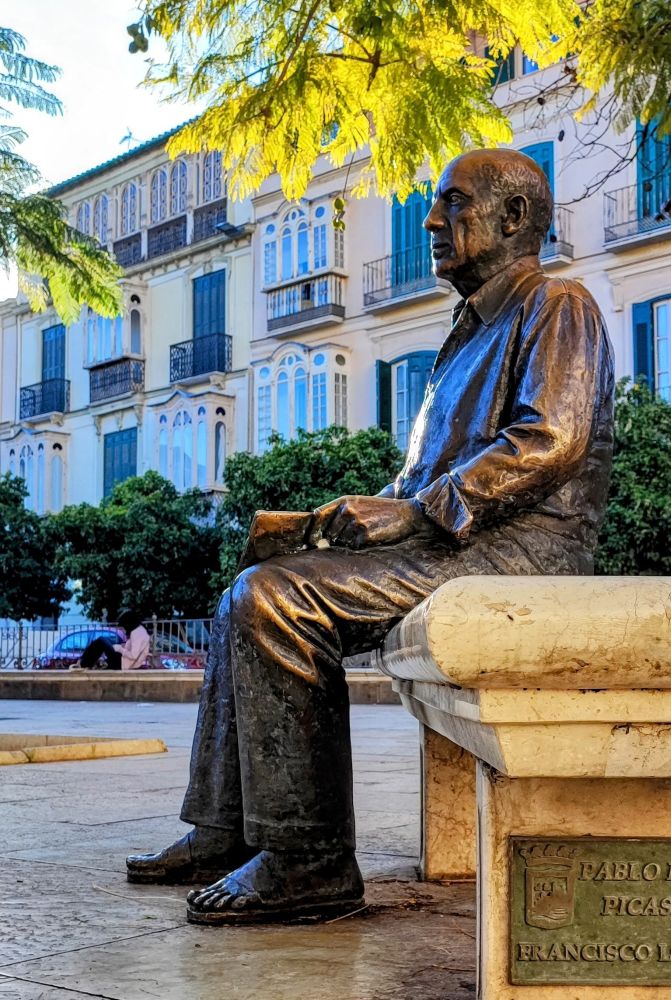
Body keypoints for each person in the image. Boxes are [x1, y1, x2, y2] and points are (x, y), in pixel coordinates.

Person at [126, 148, 615, 926]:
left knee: (274, 601)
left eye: (454, 203)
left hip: (519, 554)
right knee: (243, 592)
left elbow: (550, 440)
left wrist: (416, 514)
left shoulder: (558, 306)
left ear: (516, 219)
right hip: (456, 545)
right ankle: (224, 832)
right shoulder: (467, 336)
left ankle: (309, 860)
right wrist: (327, 521)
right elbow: (420, 483)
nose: (431, 220)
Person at [76, 610, 150, 671]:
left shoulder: (136, 633)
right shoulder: (140, 631)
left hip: (122, 664)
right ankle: (84, 661)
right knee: (104, 641)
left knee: (101, 641)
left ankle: (83, 663)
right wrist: (123, 646)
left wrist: (120, 649)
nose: (124, 629)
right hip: (125, 662)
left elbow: (133, 655)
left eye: (124, 626)